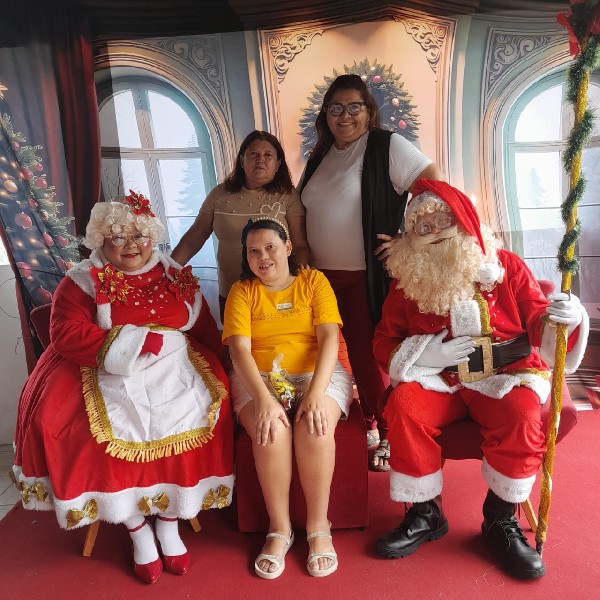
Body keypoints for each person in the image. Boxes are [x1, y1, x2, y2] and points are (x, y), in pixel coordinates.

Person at [12, 191, 234, 584]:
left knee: (206, 411)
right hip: (105, 365)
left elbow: (202, 327)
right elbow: (65, 334)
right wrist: (134, 343)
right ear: (102, 239)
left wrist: (227, 365)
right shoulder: (81, 282)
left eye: (140, 236)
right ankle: (136, 527)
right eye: (118, 237)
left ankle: (169, 522)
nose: (131, 246)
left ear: (153, 237)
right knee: (80, 429)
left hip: (176, 367)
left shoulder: (175, 276)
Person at [372, 179, 589, 578]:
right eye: (423, 226)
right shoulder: (407, 283)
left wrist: (566, 319)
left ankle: (499, 518)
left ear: (464, 220)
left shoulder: (507, 265)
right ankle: (426, 513)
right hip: (442, 381)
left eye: (444, 221)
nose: (435, 232)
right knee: (403, 405)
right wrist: (425, 354)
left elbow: (537, 321)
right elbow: (384, 341)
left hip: (504, 375)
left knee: (523, 412)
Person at [299, 74, 445, 471]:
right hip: (319, 279)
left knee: (367, 359)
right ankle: (366, 423)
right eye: (336, 108)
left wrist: (407, 239)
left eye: (354, 107)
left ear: (368, 111)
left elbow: (435, 187)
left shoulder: (385, 146)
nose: (344, 116)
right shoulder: (320, 156)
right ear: (325, 114)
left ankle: (390, 432)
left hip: (363, 277)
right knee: (327, 358)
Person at [222, 217, 353, 580]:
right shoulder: (242, 292)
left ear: (288, 248)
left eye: (270, 247)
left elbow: (329, 338)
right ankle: (279, 529)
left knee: (315, 424)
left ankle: (318, 527)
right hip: (259, 377)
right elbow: (239, 351)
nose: (263, 257)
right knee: (271, 430)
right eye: (253, 251)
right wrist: (263, 399)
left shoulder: (314, 281)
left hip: (317, 371)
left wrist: (315, 393)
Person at [171, 130, 310, 318]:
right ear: (242, 160)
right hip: (231, 291)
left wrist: (299, 279)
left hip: (276, 294)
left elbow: (300, 246)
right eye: (253, 154)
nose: (260, 160)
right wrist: (166, 271)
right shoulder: (219, 194)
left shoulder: (288, 196)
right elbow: (192, 239)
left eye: (268, 155)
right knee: (234, 337)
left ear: (278, 164)